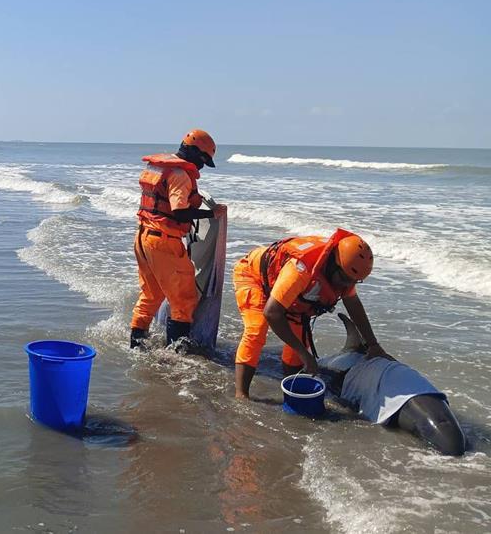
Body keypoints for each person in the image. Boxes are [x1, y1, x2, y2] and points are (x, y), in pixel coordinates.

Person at [232, 228, 392, 399]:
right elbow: (272, 313)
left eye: (353, 282)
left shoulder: (345, 272)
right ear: (333, 264)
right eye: (345, 279)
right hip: (255, 277)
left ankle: (293, 389)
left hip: (290, 294)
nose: (347, 286)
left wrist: (373, 345)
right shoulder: (301, 269)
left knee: (297, 350)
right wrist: (305, 354)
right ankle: (241, 395)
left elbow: (353, 305)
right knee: (257, 330)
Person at [130, 129, 225, 349]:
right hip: (164, 242)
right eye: (202, 160)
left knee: (151, 296)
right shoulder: (181, 175)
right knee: (184, 299)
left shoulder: (159, 167)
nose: (201, 167)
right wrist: (212, 214)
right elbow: (179, 211)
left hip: (143, 238)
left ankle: (136, 346)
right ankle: (176, 356)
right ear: (193, 152)